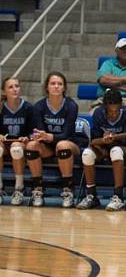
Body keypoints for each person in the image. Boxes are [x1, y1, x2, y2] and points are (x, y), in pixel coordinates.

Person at [77, 89, 126, 211]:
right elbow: (93, 141)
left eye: (116, 110)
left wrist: (113, 137)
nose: (113, 114)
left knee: (116, 151)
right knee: (87, 154)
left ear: (121, 105)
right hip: (103, 147)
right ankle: (91, 194)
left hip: (123, 147)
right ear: (105, 107)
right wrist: (104, 140)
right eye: (110, 111)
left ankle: (118, 196)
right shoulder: (98, 113)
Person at [26, 72, 80, 208]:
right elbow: (40, 132)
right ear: (47, 87)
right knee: (32, 145)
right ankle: (37, 189)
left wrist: (50, 137)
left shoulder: (71, 105)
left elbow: (67, 133)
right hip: (48, 146)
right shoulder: (38, 106)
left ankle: (67, 189)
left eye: (59, 84)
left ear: (64, 88)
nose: (56, 86)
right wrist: (42, 137)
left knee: (62, 145)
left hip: (69, 143)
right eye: (53, 83)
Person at [0, 77, 32, 206]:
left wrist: (27, 137)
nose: (14, 89)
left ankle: (19, 188)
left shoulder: (28, 108)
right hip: (3, 144)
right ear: (4, 91)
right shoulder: (1, 108)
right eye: (11, 87)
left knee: (16, 147)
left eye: (17, 86)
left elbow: (35, 130)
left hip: (20, 145)